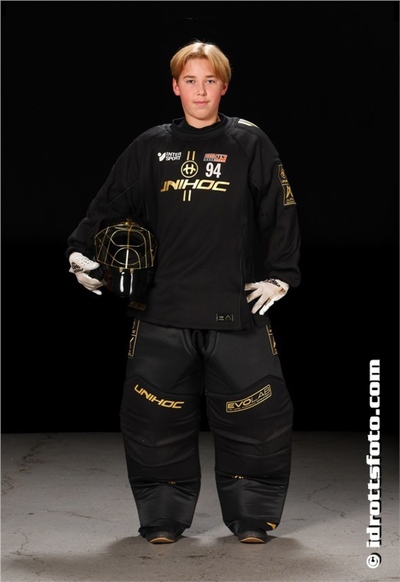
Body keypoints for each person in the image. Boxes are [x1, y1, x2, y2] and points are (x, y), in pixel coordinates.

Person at [66, 39, 301, 545]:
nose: (200, 91)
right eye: (190, 81)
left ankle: (252, 516)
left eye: (210, 80)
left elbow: (280, 210)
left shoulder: (249, 142)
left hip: (235, 309)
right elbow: (106, 205)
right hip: (161, 312)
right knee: (153, 421)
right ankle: (163, 517)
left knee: (257, 420)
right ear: (175, 87)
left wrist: (282, 275)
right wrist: (78, 253)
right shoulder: (151, 146)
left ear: (224, 86)